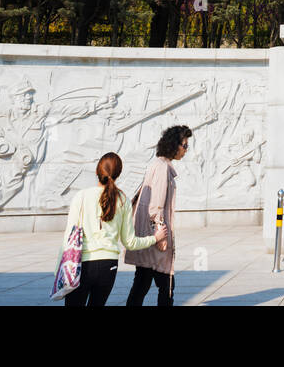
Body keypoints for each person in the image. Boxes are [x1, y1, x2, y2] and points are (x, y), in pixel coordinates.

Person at [61, 152, 166, 307]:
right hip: (108, 266)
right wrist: (155, 238)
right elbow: (130, 242)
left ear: (97, 171)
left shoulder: (81, 196)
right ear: (118, 174)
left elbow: (68, 237)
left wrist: (61, 269)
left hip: (82, 265)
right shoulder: (122, 199)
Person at [125, 125, 192, 307]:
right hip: (155, 238)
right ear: (174, 145)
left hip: (147, 236)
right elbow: (157, 205)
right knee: (166, 286)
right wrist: (160, 235)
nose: (186, 150)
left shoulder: (157, 164)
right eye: (185, 145)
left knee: (141, 284)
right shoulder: (163, 168)